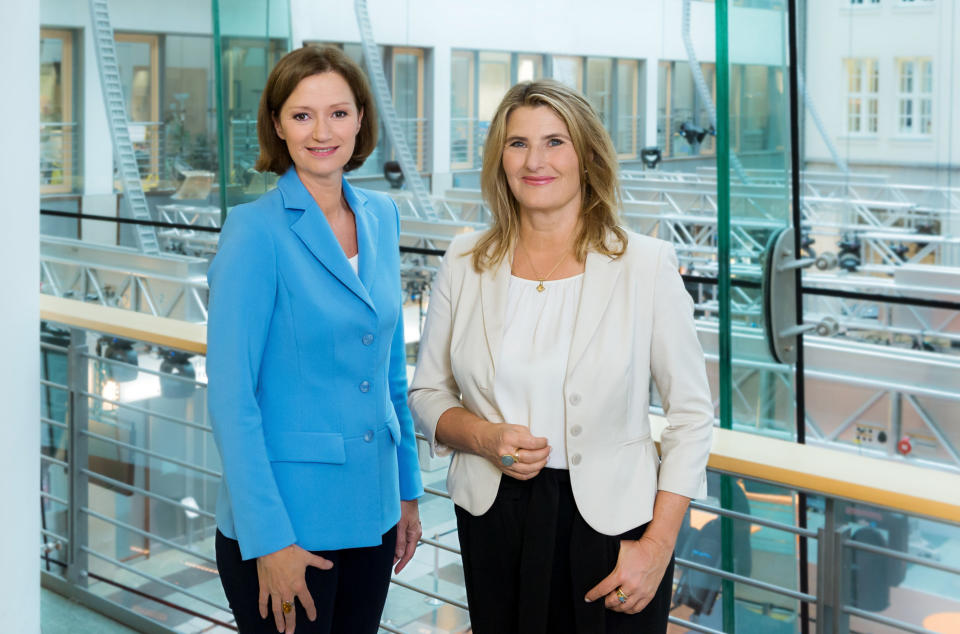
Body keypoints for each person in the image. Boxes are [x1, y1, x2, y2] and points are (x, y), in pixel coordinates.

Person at [408, 79, 713, 634]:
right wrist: (483, 438)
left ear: (588, 156)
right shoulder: (464, 260)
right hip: (495, 519)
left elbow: (691, 417)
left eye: (555, 141)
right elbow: (427, 394)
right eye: (517, 143)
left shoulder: (645, 266)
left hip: (615, 527)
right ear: (500, 159)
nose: (535, 161)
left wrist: (657, 547)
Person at [206, 45, 424, 634]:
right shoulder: (255, 232)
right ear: (277, 124)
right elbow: (231, 400)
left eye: (338, 113)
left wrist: (407, 490)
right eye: (302, 115)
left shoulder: (381, 215)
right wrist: (269, 542)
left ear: (361, 119)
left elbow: (388, 370)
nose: (322, 131)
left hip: (374, 512)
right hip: (288, 526)